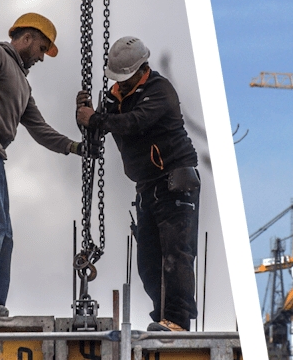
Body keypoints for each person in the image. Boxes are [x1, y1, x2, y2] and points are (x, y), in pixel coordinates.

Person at [0, 13, 91, 316]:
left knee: (4, 234)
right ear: (26, 38)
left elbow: (40, 128)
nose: (41, 57)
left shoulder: (22, 86)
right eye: (41, 48)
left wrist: (74, 147)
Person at [76, 36, 200, 332]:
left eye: (126, 79)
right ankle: (163, 317)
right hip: (147, 187)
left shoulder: (160, 91)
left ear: (142, 69)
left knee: (176, 254)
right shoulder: (116, 95)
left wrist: (95, 120)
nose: (121, 85)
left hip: (175, 184)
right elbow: (99, 129)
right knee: (148, 263)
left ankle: (178, 320)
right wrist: (86, 116)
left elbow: (134, 122)